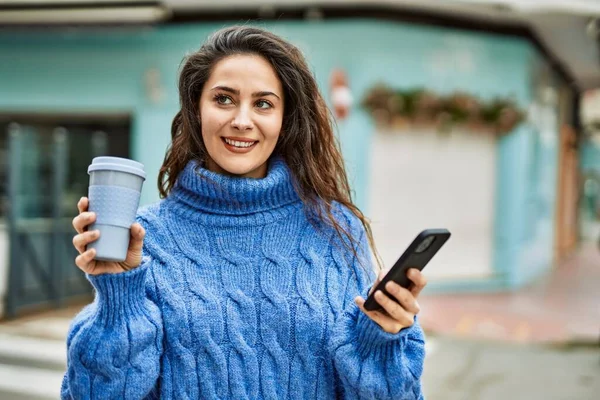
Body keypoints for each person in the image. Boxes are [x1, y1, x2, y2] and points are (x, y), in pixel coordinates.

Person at [62, 25, 427, 399]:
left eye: (263, 103)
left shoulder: (335, 228)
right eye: (223, 99)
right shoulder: (144, 239)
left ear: (285, 119)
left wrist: (381, 339)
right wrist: (117, 296)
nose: (241, 120)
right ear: (195, 109)